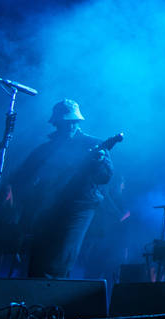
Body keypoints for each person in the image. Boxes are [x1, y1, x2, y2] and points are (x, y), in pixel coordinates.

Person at [6, 99, 114, 278]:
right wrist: (10, 188)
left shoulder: (94, 145)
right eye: (65, 122)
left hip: (79, 206)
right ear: (56, 123)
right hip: (48, 206)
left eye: (73, 122)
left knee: (60, 259)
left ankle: (53, 300)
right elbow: (23, 174)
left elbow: (105, 178)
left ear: (78, 122)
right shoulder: (46, 148)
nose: (70, 126)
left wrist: (98, 163)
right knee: (38, 258)